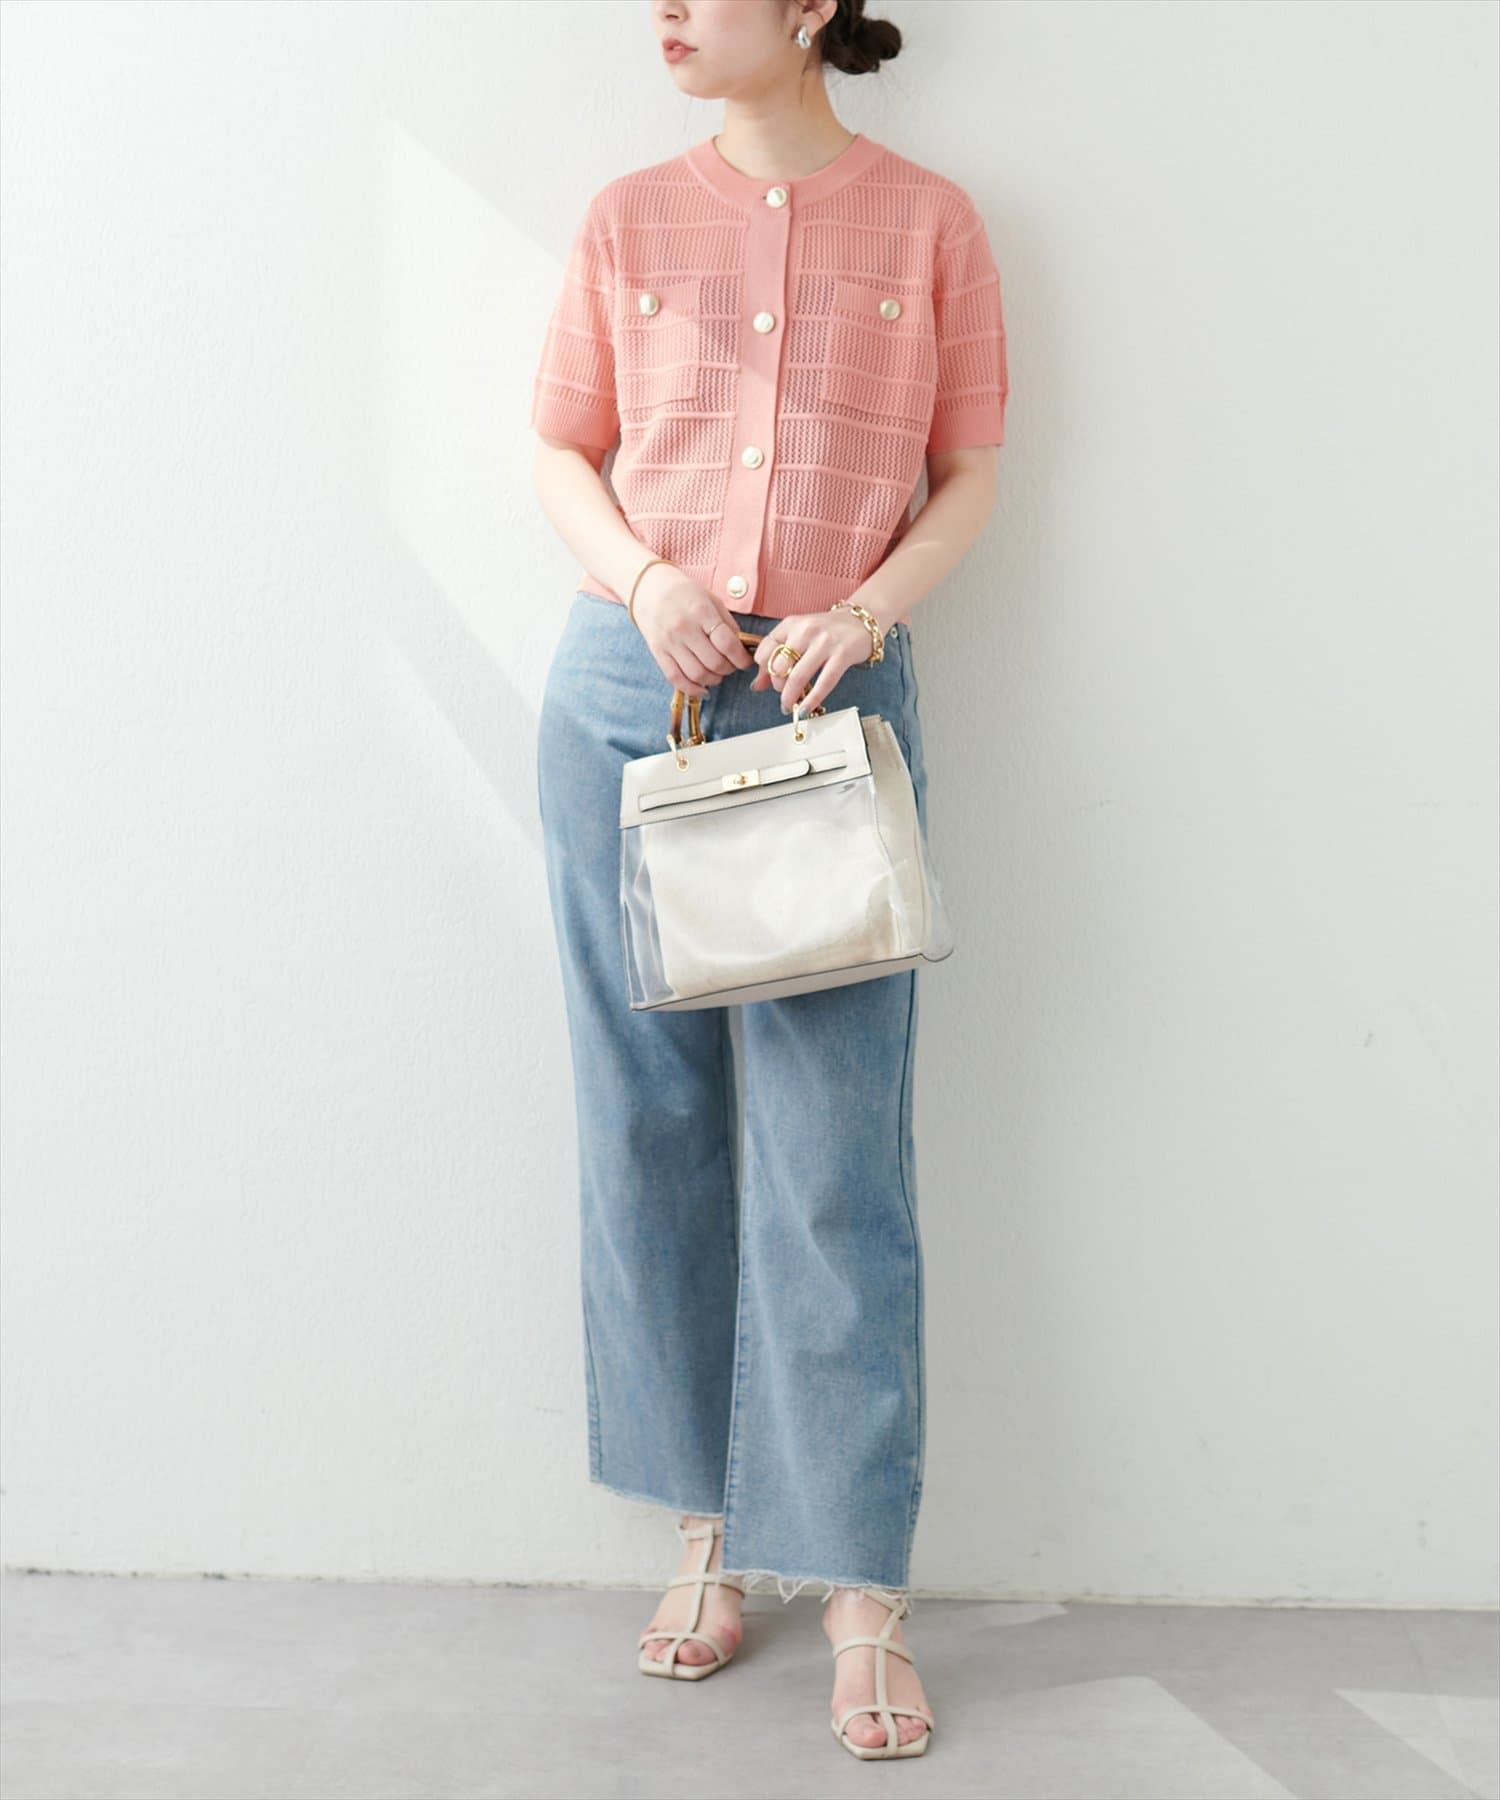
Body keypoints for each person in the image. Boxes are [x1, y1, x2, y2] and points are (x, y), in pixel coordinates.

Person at [529, 0, 1008, 1762]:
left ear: (809, 5)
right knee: (647, 1125)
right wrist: (648, 578)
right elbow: (559, 449)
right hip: (628, 697)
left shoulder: (932, 221)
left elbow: (968, 473)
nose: (660, 10)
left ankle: (862, 1589)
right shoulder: (625, 218)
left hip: (827, 700)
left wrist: (865, 609)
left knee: (833, 1157)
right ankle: (708, 1532)